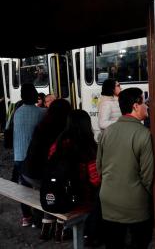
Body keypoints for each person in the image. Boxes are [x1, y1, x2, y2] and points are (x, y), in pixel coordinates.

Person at [97, 88, 154, 249]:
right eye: (144, 102)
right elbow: (148, 177)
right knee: (140, 242)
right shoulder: (144, 134)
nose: (146, 107)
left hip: (108, 200)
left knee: (114, 243)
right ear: (136, 106)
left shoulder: (107, 131)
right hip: (136, 205)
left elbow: (99, 166)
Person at [22, 99, 71, 239]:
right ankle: (60, 229)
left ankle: (45, 227)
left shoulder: (42, 125)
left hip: (27, 173)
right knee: (62, 186)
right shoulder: (62, 130)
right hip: (40, 174)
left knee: (52, 187)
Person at [48, 110, 100, 243]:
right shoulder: (89, 148)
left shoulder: (58, 144)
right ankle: (91, 235)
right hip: (80, 200)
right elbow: (95, 180)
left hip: (58, 195)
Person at [12, 83, 46, 227]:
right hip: (32, 157)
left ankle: (26, 217)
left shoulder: (17, 111)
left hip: (18, 156)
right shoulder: (40, 113)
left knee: (23, 189)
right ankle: (39, 219)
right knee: (39, 187)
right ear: (34, 96)